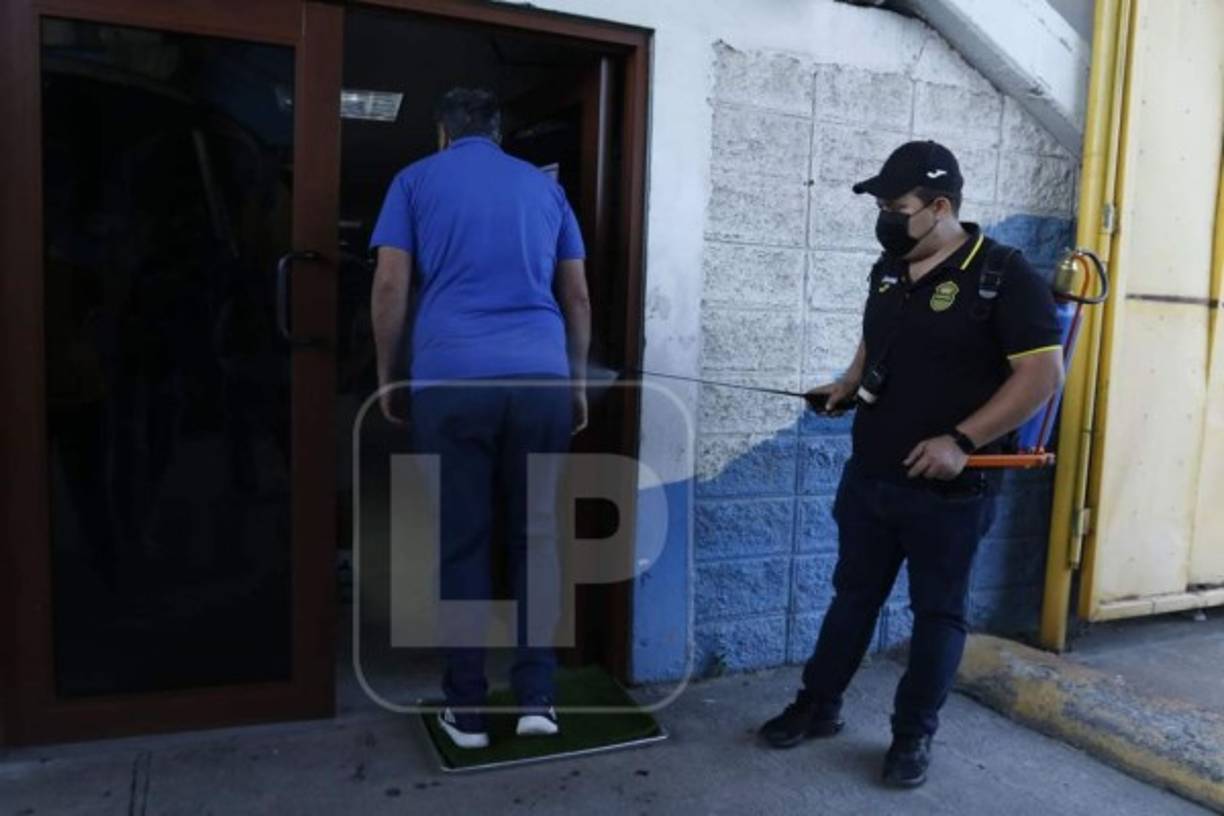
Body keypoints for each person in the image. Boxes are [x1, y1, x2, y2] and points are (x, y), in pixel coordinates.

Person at [758, 140, 1064, 787]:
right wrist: (848, 383)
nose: (885, 221)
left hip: (950, 491)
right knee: (853, 597)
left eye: (896, 209)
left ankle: (911, 736)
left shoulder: (1003, 275)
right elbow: (877, 336)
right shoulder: (890, 268)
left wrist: (961, 440)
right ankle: (818, 705)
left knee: (937, 614)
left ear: (940, 207)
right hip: (871, 474)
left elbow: (1042, 376)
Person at [369, 88, 590, 750]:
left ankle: (466, 712)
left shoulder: (413, 181)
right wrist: (574, 382)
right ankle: (537, 700)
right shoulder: (545, 190)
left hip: (452, 378)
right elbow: (576, 295)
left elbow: (390, 284)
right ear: (498, 132)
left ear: (443, 132)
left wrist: (387, 374)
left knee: (462, 542)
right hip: (540, 380)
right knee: (537, 538)